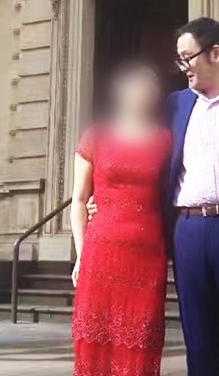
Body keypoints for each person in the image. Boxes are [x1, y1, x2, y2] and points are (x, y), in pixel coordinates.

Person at [87, 17, 219, 376]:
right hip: (187, 234)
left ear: (215, 53)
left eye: (187, 58)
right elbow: (143, 153)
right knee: (198, 346)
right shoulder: (175, 105)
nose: (181, 67)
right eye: (178, 59)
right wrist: (105, 199)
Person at [70, 60, 171, 376]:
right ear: (121, 90)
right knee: (97, 341)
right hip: (101, 253)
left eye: (152, 82)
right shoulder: (96, 136)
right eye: (139, 81)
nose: (147, 88)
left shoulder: (166, 140)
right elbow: (79, 200)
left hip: (148, 255)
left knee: (140, 339)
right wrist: (81, 254)